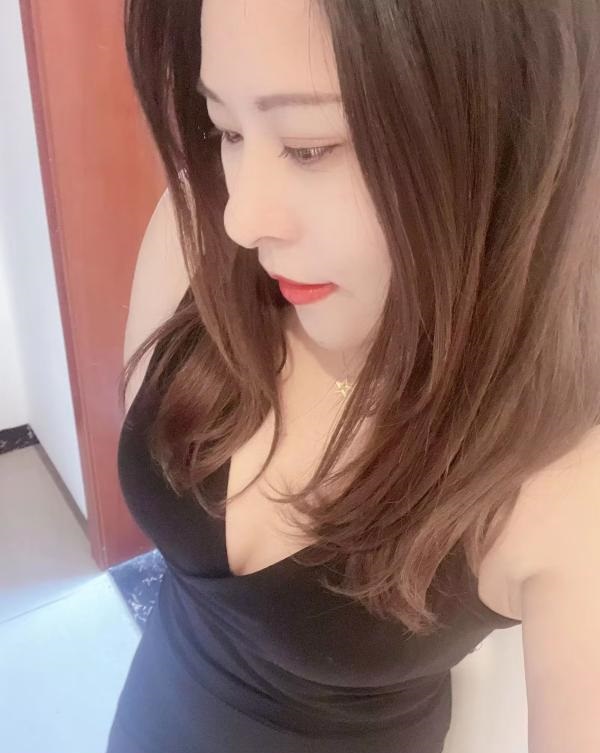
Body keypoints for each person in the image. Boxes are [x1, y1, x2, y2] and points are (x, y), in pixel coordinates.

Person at [107, 1, 600, 751]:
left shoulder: (566, 476)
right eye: (227, 129)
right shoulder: (199, 231)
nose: (242, 218)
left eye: (309, 147)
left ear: (502, 133)